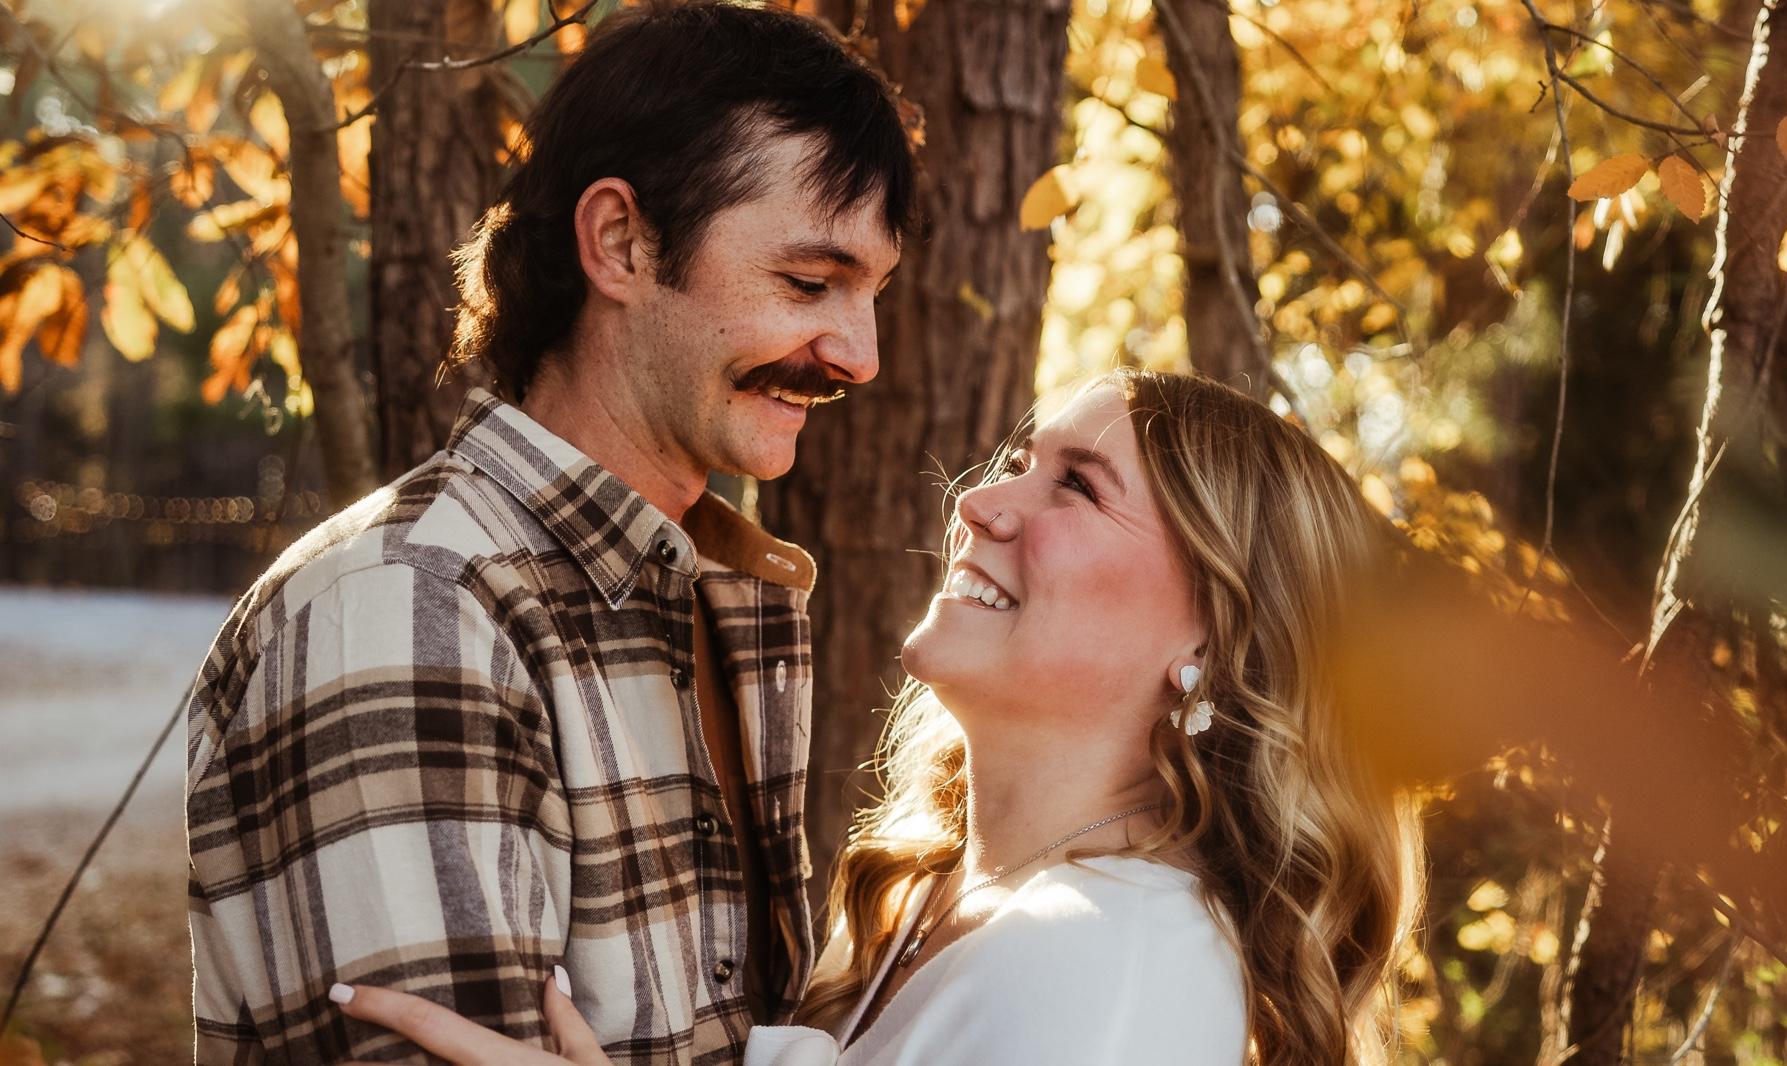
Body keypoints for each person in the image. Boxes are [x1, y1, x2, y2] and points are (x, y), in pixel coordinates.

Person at [182, 3, 914, 1062]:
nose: (860, 355)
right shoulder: (412, 611)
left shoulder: (715, 595)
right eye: (809, 283)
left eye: (872, 292)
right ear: (620, 242)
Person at [329, 368, 1425, 1065]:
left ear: (1216, 646)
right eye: (1020, 462)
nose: (978, 502)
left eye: (1079, 487)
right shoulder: (940, 902)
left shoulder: (1114, 965)